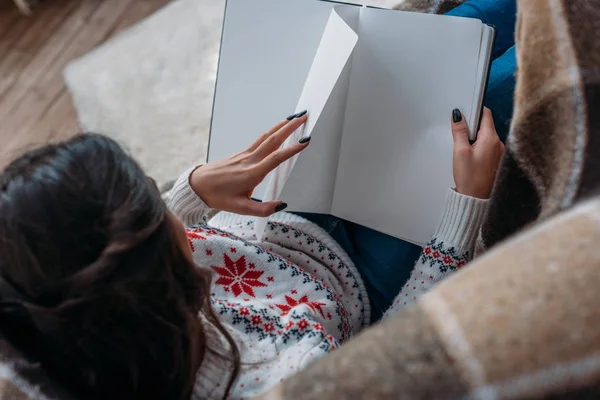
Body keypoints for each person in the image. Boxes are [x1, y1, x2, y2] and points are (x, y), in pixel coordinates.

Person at [0, 103, 503, 399]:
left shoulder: (96, 326)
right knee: (489, 98)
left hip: (281, 215)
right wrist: (464, 215)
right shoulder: (292, 380)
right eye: (157, 201)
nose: (165, 191)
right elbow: (403, 344)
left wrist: (191, 192)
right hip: (363, 281)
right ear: (161, 276)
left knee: (448, 45)